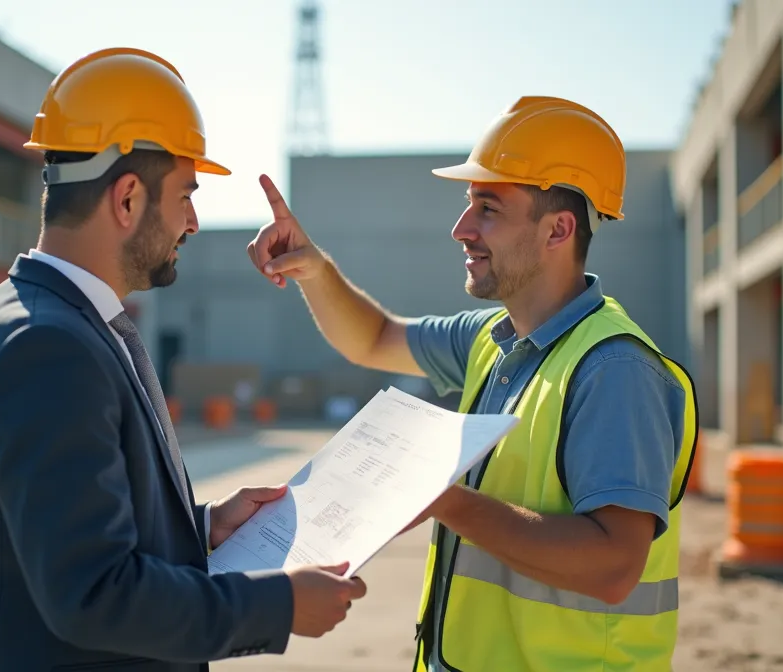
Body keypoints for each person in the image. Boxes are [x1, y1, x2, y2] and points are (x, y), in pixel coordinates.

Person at [0, 47, 366, 672]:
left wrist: (202, 528)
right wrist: (278, 605)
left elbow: (73, 536)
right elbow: (93, 594)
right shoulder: (47, 347)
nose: (193, 222)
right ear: (128, 199)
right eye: (186, 195)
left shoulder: (58, 321)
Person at [246, 96, 698, 671]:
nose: (461, 229)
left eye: (488, 208)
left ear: (558, 230)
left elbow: (613, 567)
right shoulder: (492, 338)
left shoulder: (614, 370)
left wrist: (440, 497)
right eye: (469, 206)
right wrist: (314, 270)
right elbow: (374, 338)